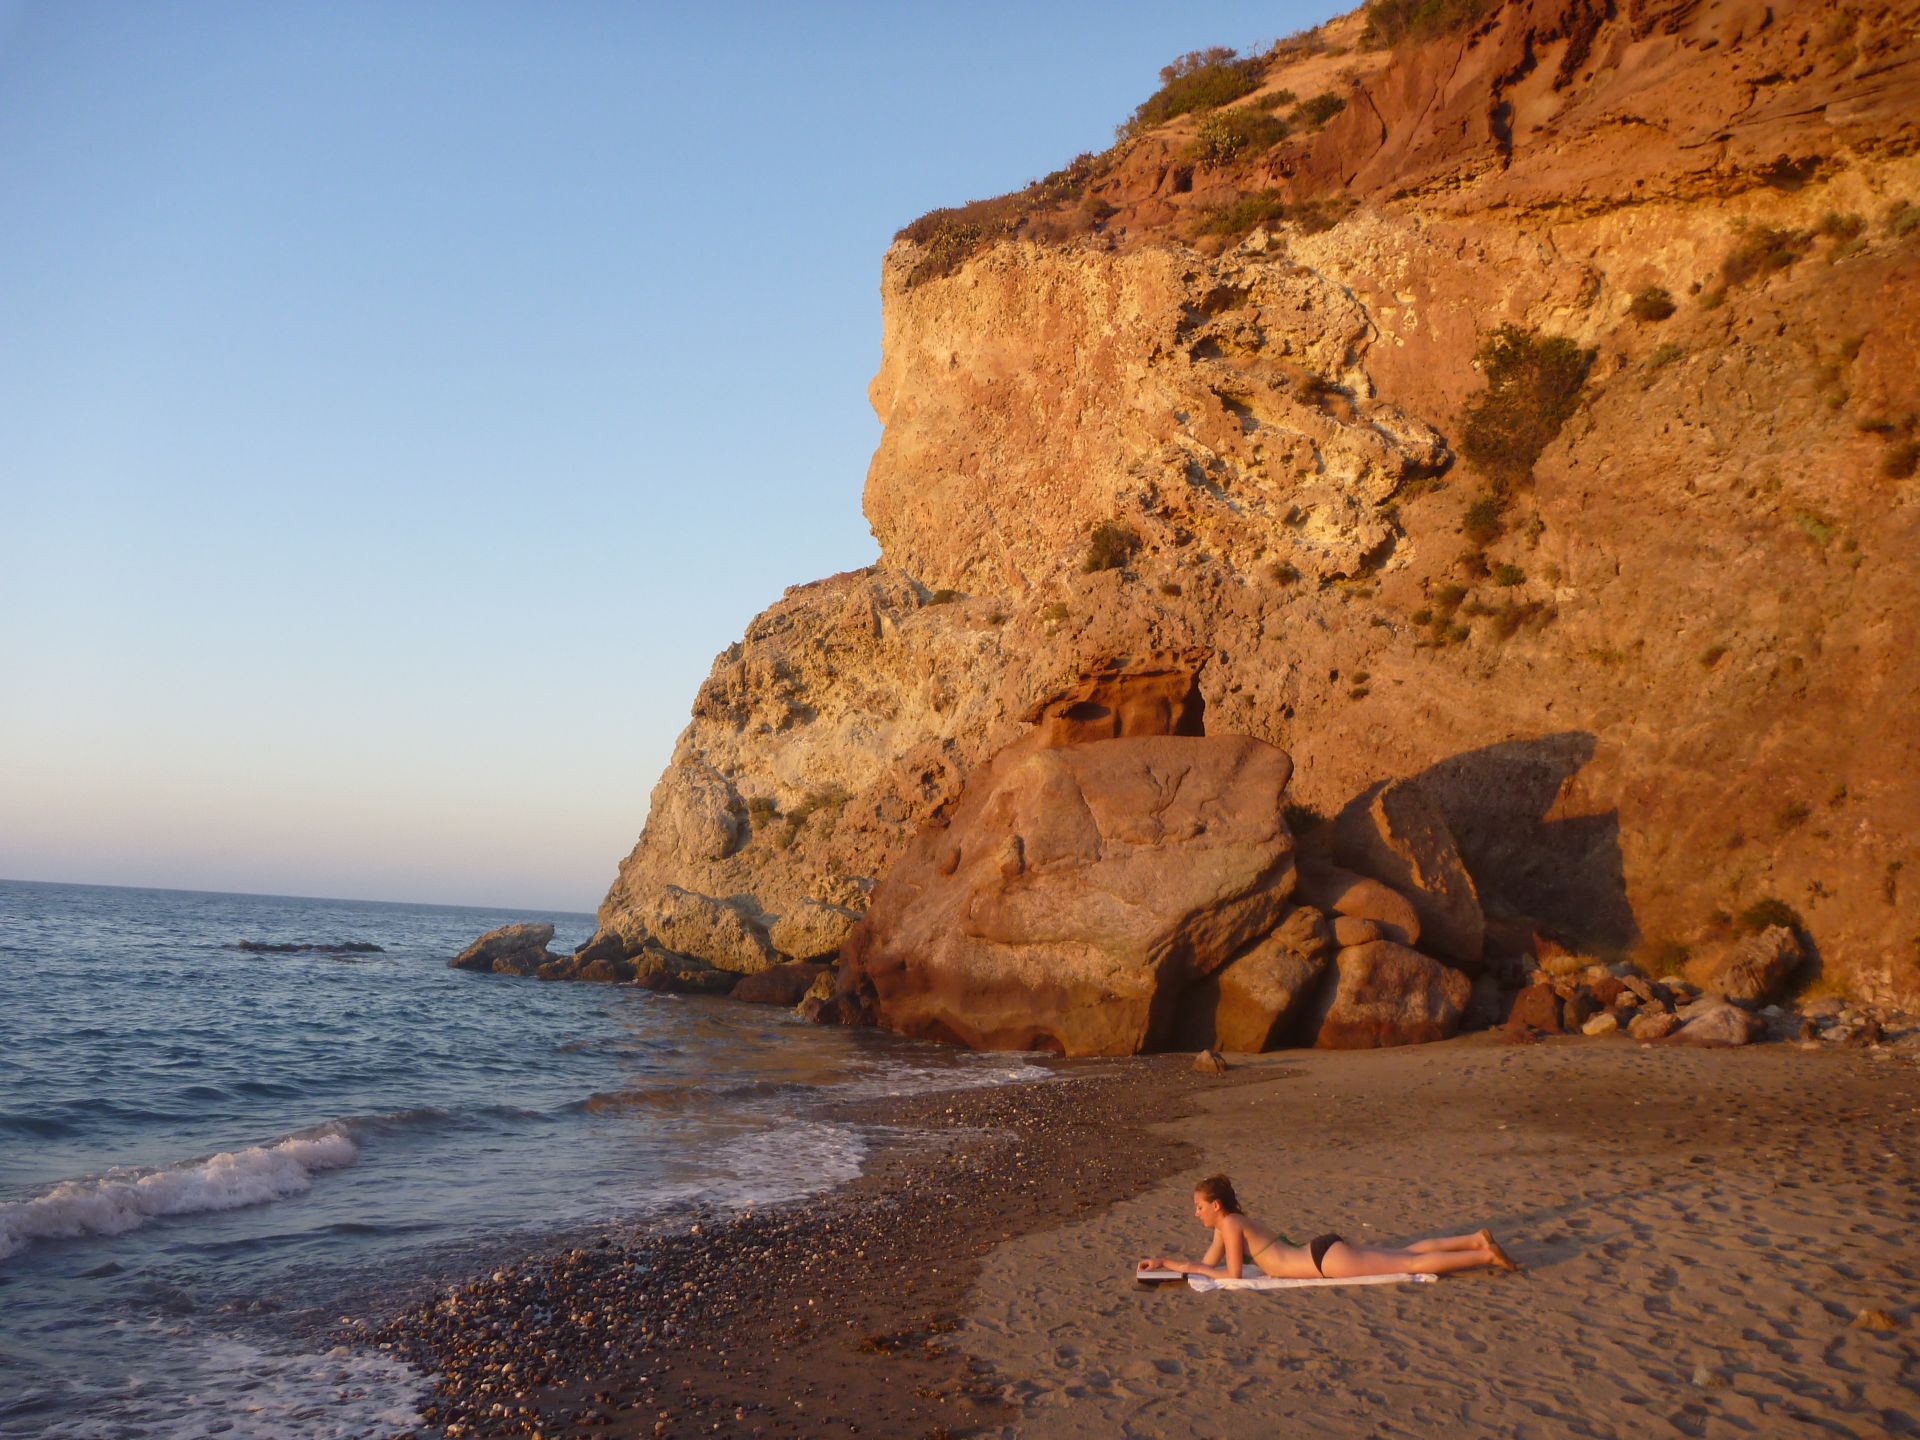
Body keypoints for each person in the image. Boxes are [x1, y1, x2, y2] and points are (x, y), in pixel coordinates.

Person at [1136, 1174, 1522, 1280]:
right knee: (1404, 1254)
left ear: (1215, 1206)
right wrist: (1166, 1263)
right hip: (1321, 1249)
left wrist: (1178, 1264)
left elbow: (1232, 1274)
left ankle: (1483, 1254)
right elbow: (1207, 1264)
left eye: (1199, 1207)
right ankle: (1473, 1239)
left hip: (1323, 1262)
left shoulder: (1232, 1224)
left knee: (1408, 1264)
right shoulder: (1227, 1226)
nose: (1196, 1213)